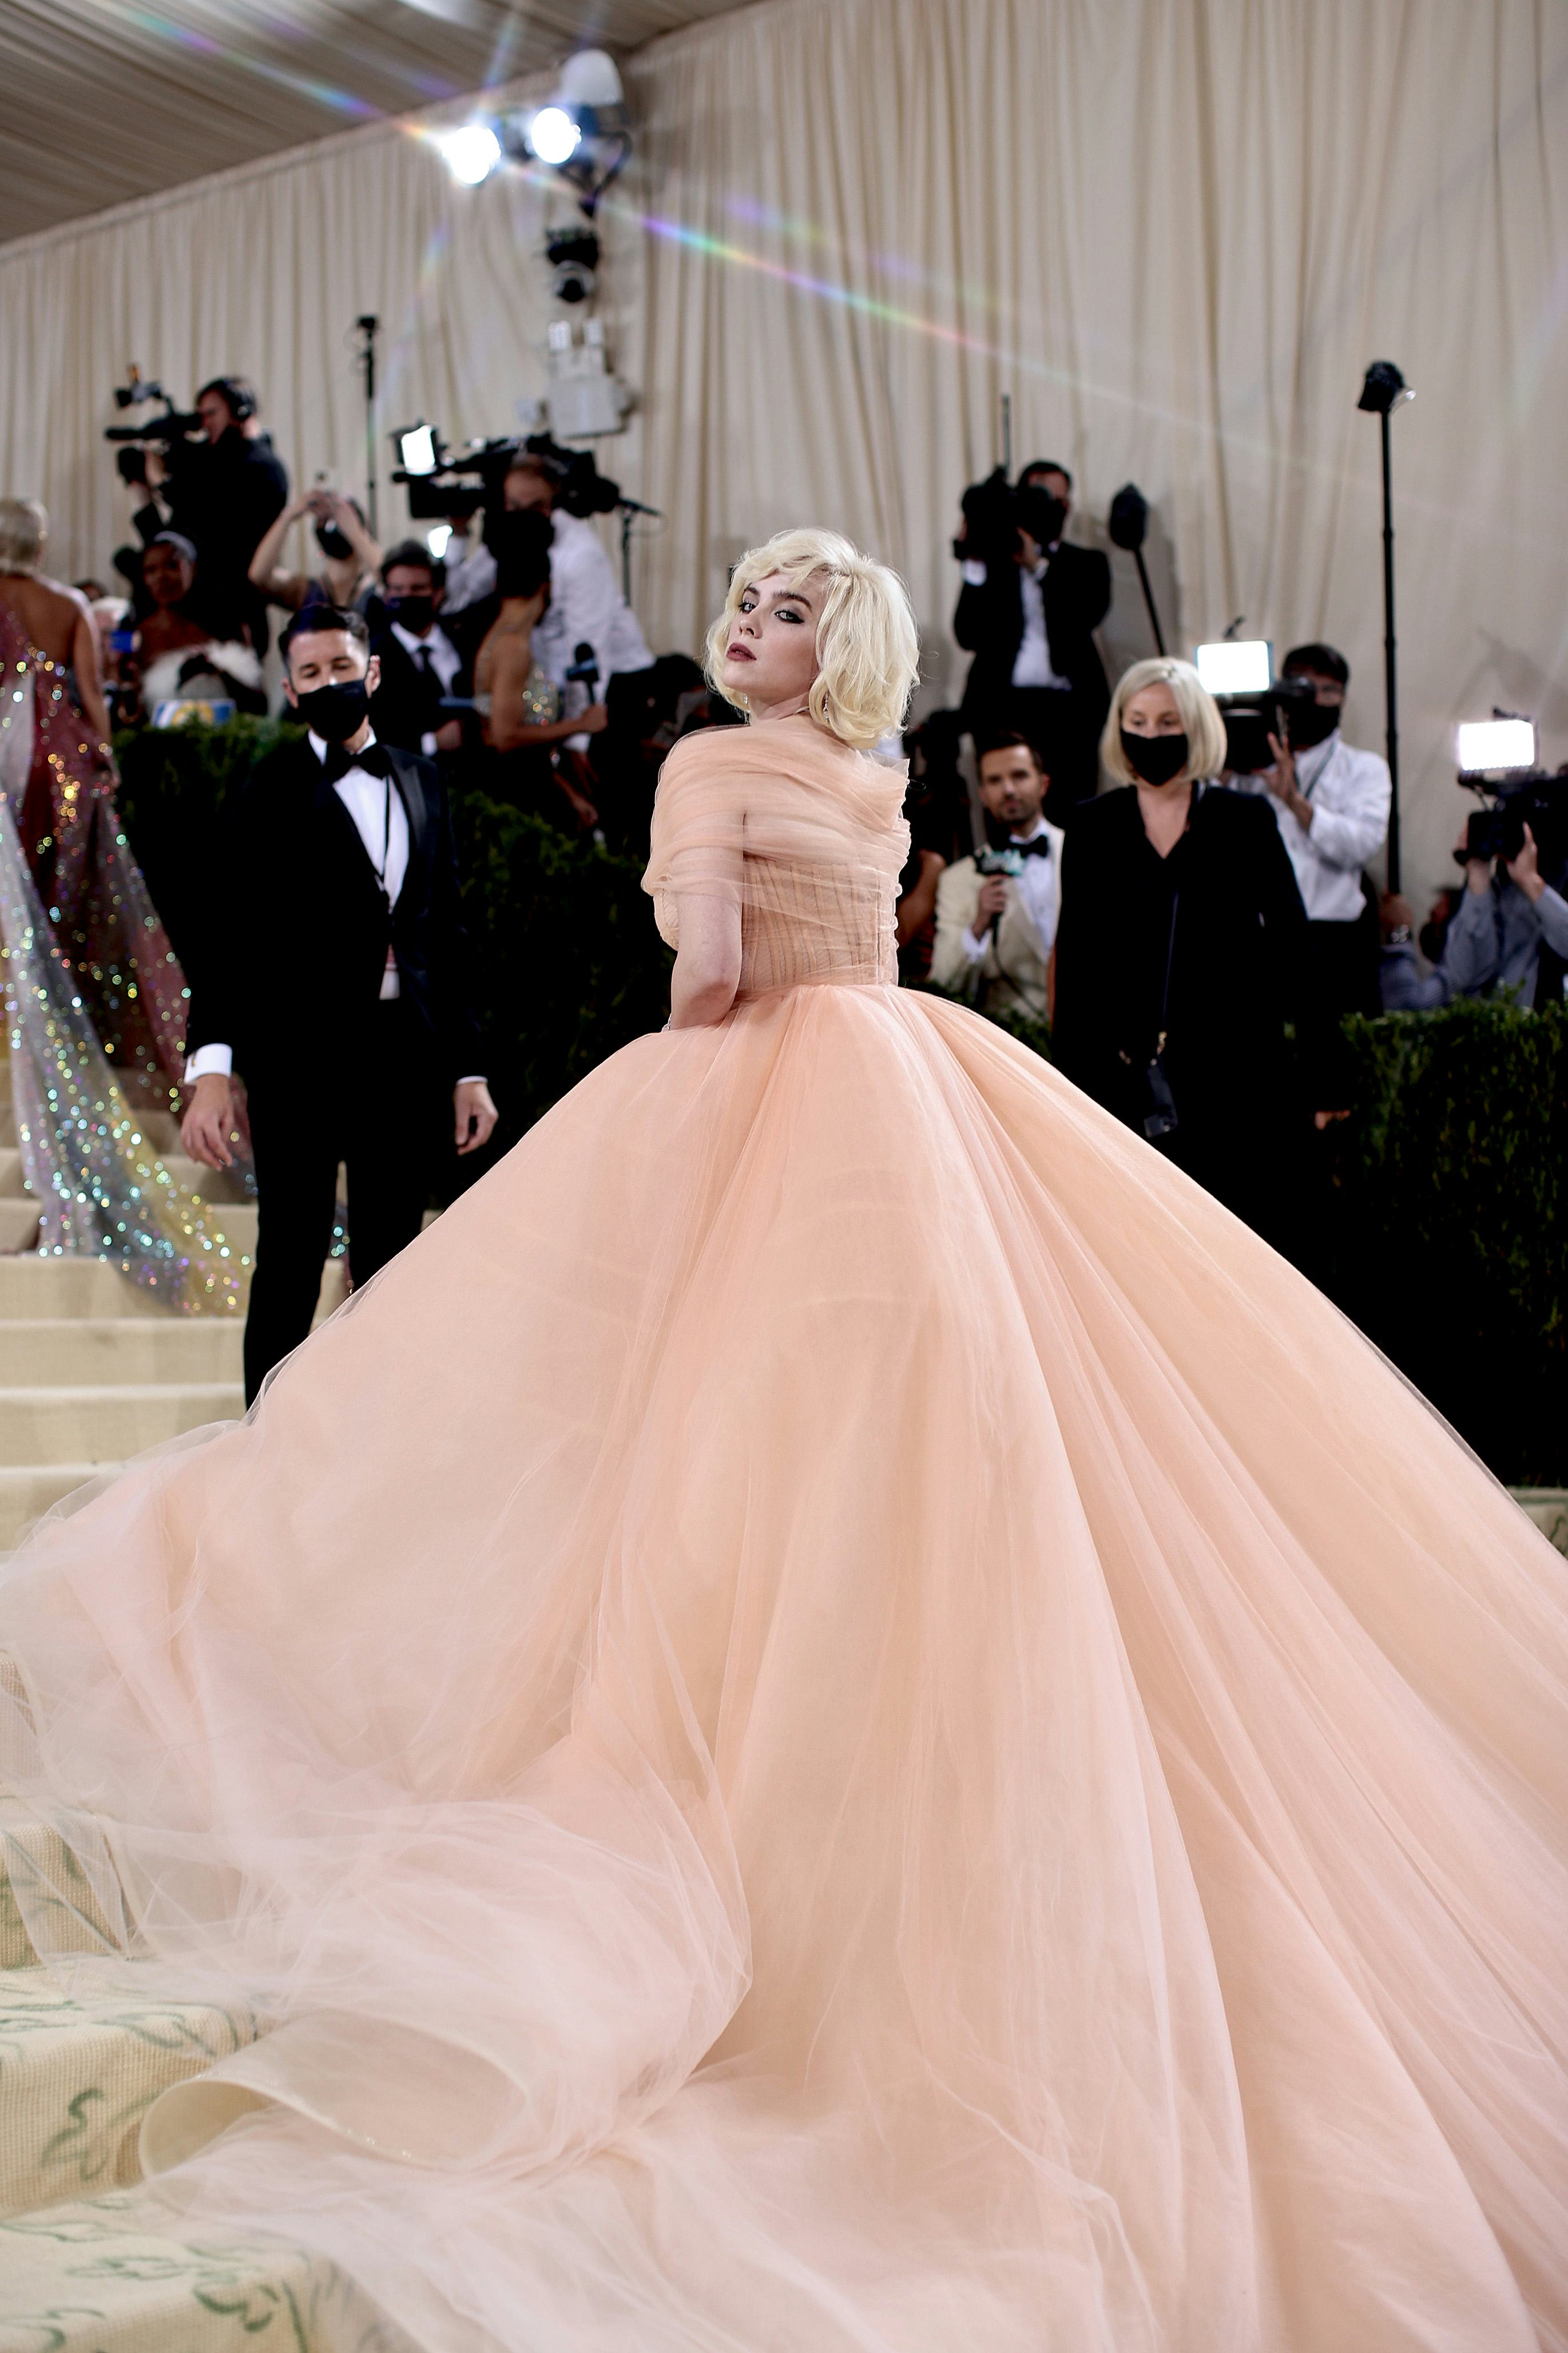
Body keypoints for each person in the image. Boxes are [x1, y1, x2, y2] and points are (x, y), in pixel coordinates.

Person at [2, 529, 1566, 2350]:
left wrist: (677, 1093)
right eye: (741, 602)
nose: (745, 626)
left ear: (832, 643)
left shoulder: (714, 764)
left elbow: (711, 976)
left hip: (751, 1086)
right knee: (923, 1431)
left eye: (779, 609)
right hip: (912, 1091)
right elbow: (857, 942)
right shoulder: (865, 769)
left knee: (687, 1429)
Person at [179, 603, 497, 1401]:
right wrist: (212, 1069)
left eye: (342, 669)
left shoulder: (423, 781)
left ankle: (374, 1434)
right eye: (311, 674)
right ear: (290, 689)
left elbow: (445, 933)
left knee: (393, 1255)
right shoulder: (269, 785)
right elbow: (229, 937)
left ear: (373, 671)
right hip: (300, 1059)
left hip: (405, 1051)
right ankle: (264, 1439)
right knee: (290, 1252)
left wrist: (467, 1067)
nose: (329, 683)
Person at [0, 497, 247, 1305]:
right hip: (56, 760)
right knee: (54, 902)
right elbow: (95, 702)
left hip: (8, 756)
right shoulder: (67, 606)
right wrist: (102, 762)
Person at [1051, 657, 1306, 1235]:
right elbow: (1077, 966)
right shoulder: (1091, 826)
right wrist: (1068, 1090)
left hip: (1234, 1084)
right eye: (1135, 719)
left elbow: (1293, 945)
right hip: (1126, 1084)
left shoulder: (1245, 818)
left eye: (1167, 721)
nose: (1149, 734)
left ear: (1194, 726)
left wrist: (1322, 1069)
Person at [1227, 641, 1390, 1117]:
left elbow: (1361, 844)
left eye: (1329, 690)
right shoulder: (1247, 762)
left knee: (1336, 1087)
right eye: (1305, 688)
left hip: (1333, 945)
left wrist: (1295, 802)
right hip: (1260, 941)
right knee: (1263, 1077)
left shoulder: (1363, 768)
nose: (1316, 700)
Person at [953, 459, 1112, 814]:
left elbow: (1086, 616)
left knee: (1075, 814)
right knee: (1008, 813)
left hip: (1070, 712)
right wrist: (976, 560)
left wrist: (1038, 569)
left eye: (1057, 500)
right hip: (1003, 709)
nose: (1051, 508)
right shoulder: (996, 565)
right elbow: (967, 634)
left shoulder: (1087, 563)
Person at [471, 510, 609, 830]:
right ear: (546, 587)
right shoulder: (513, 647)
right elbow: (505, 738)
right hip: (520, 799)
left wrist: (567, 791)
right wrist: (580, 724)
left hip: (528, 783)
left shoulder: (497, 638)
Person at [136, 376, 289, 652]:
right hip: (198, 612)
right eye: (201, 415)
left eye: (212, 413)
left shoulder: (260, 467)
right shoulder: (218, 462)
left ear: (241, 411)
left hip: (232, 611)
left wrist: (161, 481)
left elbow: (209, 513)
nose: (205, 424)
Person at [929, 732, 1063, 1018]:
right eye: (995, 781)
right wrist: (978, 927)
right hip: (1012, 1039)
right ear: (983, 795)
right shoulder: (959, 879)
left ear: (1044, 783)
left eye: (1020, 776)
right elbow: (942, 984)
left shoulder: (1086, 853)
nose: (1009, 790)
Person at [1381, 821, 1568, 1011]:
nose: (1435, 912)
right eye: (1436, 921)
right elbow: (1410, 1006)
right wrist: (1481, 876)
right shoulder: (1493, 911)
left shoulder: (1517, 899)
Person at [131, 531, 267, 718]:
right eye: (151, 570)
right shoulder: (139, 635)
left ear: (192, 567)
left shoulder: (229, 624)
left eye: (172, 566)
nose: (161, 577)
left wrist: (217, 671)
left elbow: (259, 703)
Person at [367, 540, 469, 758]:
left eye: (417, 589)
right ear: (386, 596)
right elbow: (374, 732)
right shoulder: (373, 659)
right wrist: (433, 742)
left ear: (438, 594)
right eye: (398, 590)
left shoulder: (464, 642)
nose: (407, 597)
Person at [248, 486, 382, 619]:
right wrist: (288, 516)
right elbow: (259, 576)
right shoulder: (306, 592)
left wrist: (355, 533)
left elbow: (387, 575)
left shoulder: (374, 590)